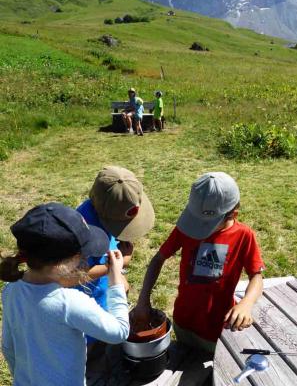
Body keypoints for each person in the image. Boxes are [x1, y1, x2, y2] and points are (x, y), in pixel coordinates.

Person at [133, 172, 264, 353]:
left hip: (218, 328)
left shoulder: (244, 236)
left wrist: (246, 303)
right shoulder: (188, 227)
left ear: (232, 213)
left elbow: (256, 275)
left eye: (206, 223)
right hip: (184, 322)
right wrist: (142, 300)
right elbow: (158, 259)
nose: (199, 227)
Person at [1, 202, 129, 386]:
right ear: (64, 263)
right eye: (83, 255)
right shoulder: (69, 303)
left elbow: (7, 347)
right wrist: (115, 277)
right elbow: (119, 331)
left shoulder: (11, 290)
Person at [76, 165, 154, 351]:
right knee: (95, 356)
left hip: (104, 297)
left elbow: (106, 253)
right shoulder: (82, 232)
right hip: (89, 312)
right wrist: (118, 266)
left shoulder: (106, 210)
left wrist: (119, 275)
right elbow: (75, 275)